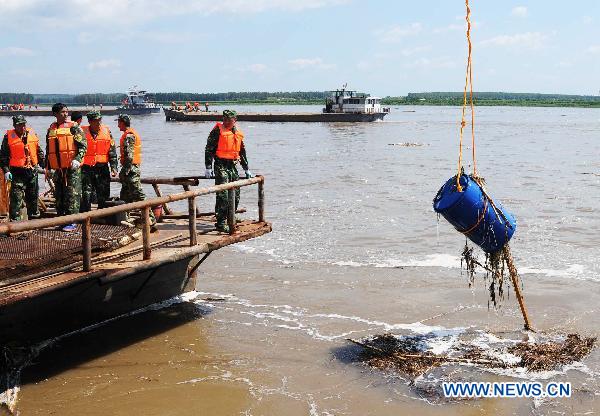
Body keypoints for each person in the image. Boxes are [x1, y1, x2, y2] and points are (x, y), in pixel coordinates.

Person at [204, 110, 253, 233]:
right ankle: (220, 222)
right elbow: (209, 149)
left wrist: (246, 168)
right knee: (223, 195)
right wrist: (208, 167)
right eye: (224, 119)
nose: (226, 122)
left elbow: (241, 152)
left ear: (234, 120)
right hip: (221, 165)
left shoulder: (237, 132)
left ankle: (231, 216)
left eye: (229, 120)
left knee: (236, 194)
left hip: (232, 165)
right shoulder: (217, 131)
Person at [46, 102, 87, 231]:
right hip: (58, 169)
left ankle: (72, 221)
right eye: (63, 112)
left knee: (72, 195)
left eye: (66, 111)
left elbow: (83, 145)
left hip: (72, 168)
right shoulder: (51, 129)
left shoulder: (74, 127)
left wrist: (77, 159)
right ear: (55, 114)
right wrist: (47, 167)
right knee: (59, 195)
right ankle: (61, 219)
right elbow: (48, 150)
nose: (66, 114)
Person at [0, 115, 44, 221]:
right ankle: (15, 223)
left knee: (33, 198)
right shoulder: (8, 137)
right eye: (19, 125)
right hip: (16, 172)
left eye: (24, 124)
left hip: (32, 171)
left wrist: (45, 166)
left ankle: (34, 221)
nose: (22, 127)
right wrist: (6, 171)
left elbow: (39, 152)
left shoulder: (32, 134)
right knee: (16, 199)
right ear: (14, 125)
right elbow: (3, 156)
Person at [116, 114, 155, 226]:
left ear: (122, 122)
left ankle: (150, 218)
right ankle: (125, 218)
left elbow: (129, 155)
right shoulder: (128, 134)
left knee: (138, 194)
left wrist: (125, 170)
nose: (118, 125)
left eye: (118, 122)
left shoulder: (129, 136)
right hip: (130, 168)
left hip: (131, 169)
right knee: (125, 195)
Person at [80, 110, 118, 212]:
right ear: (90, 121)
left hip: (102, 168)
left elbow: (112, 151)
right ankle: (85, 217)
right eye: (96, 120)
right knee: (85, 194)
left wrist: (114, 167)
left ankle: (102, 215)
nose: (99, 123)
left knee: (104, 193)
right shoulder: (81, 132)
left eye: (100, 120)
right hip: (86, 169)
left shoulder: (107, 131)